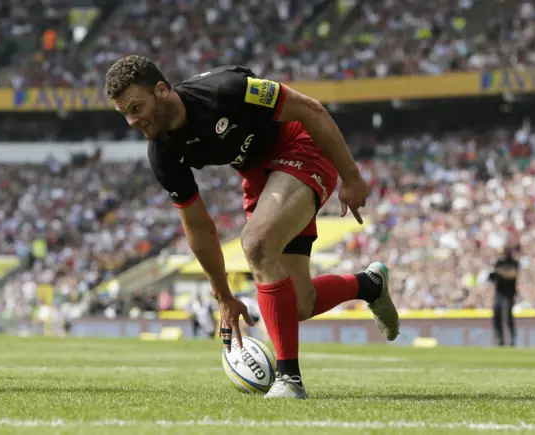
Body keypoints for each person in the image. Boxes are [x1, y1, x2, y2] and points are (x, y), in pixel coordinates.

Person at [103, 56, 399, 399]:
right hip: (260, 175)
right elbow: (198, 227)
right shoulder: (162, 154)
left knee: (256, 244)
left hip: (302, 147)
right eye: (124, 113)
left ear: (161, 90)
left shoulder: (227, 89)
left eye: (136, 107)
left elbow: (311, 109)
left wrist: (351, 176)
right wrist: (224, 296)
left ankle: (289, 380)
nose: (131, 120)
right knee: (299, 305)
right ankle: (370, 285)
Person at [489, 246, 519, 347]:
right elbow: (492, 277)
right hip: (499, 293)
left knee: (508, 317)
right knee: (496, 315)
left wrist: (500, 272)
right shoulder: (499, 263)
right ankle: (500, 339)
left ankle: (512, 339)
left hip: (509, 294)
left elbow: (512, 275)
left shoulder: (513, 263)